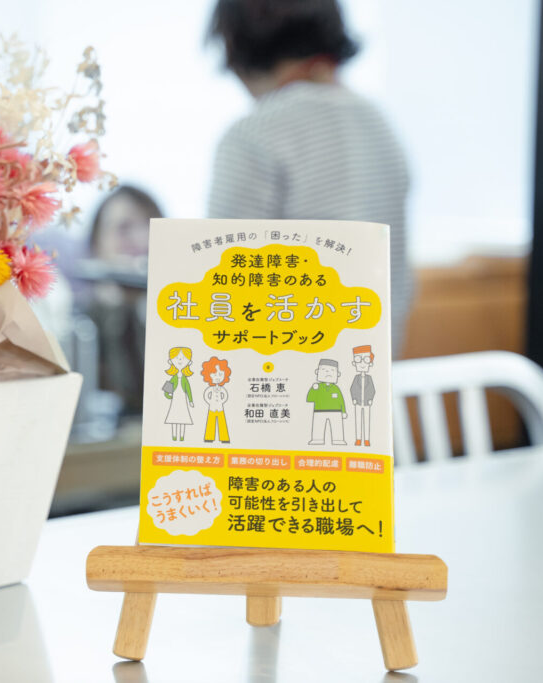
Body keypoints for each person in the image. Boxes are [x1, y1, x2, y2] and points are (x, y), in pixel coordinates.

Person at [206, 0, 412, 356]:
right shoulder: (381, 124)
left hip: (279, 376)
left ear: (236, 43)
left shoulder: (255, 134)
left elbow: (222, 285)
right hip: (373, 372)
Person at [85, 185, 163, 415]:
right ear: (97, 243)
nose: (141, 239)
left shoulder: (183, 315)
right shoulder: (83, 321)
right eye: (123, 228)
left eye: (150, 226)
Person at [306, 358, 347, 445]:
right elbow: (310, 399)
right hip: (319, 411)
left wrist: (343, 411)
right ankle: (317, 439)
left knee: (337, 426)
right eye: (324, 370)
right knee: (318, 425)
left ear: (338, 374)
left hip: (336, 412)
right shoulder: (317, 387)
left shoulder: (336, 388)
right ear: (317, 372)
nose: (328, 373)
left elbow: (341, 400)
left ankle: (338, 440)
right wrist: (313, 389)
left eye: (332, 370)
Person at [163, 347, 195, 441]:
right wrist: (168, 395)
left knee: (183, 418)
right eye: (177, 358)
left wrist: (190, 401)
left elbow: (188, 390)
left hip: (182, 399)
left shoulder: (185, 378)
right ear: (170, 361)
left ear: (189, 362)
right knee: (174, 418)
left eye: (184, 358)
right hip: (175, 399)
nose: (180, 360)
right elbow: (167, 390)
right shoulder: (174, 378)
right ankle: (173, 436)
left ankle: (181, 437)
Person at [200, 356, 232, 443]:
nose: (217, 377)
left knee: (222, 422)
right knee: (211, 421)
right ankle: (209, 437)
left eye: (220, 374)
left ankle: (224, 438)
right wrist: (209, 402)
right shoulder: (210, 389)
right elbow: (206, 395)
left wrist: (222, 401)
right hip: (212, 407)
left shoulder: (222, 389)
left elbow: (225, 396)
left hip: (220, 407)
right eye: (214, 375)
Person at [350, 344, 376, 446]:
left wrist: (370, 399)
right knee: (358, 421)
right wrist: (354, 398)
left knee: (367, 420)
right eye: (358, 360)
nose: (362, 363)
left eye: (366, 360)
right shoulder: (356, 377)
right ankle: (358, 439)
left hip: (366, 403)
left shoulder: (369, 378)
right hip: (357, 403)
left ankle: (367, 440)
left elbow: (372, 389)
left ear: (370, 363)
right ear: (354, 363)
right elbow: (352, 388)